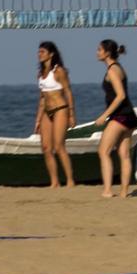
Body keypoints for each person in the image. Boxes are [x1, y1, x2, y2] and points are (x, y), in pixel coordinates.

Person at [94, 39, 137, 198]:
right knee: (124, 154)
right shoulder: (118, 67)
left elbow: (120, 96)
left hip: (120, 116)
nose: (97, 52)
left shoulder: (112, 70)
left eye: (99, 50)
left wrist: (104, 116)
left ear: (107, 53)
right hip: (129, 117)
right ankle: (124, 192)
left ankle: (107, 190)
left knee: (103, 151)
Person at [34, 42, 77, 188]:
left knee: (59, 146)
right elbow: (42, 99)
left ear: (51, 54)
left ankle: (70, 180)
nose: (39, 54)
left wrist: (72, 114)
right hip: (47, 112)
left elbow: (68, 92)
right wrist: (38, 120)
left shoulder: (59, 71)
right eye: (39, 52)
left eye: (42, 52)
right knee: (46, 148)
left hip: (60, 109)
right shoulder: (40, 74)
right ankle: (54, 181)